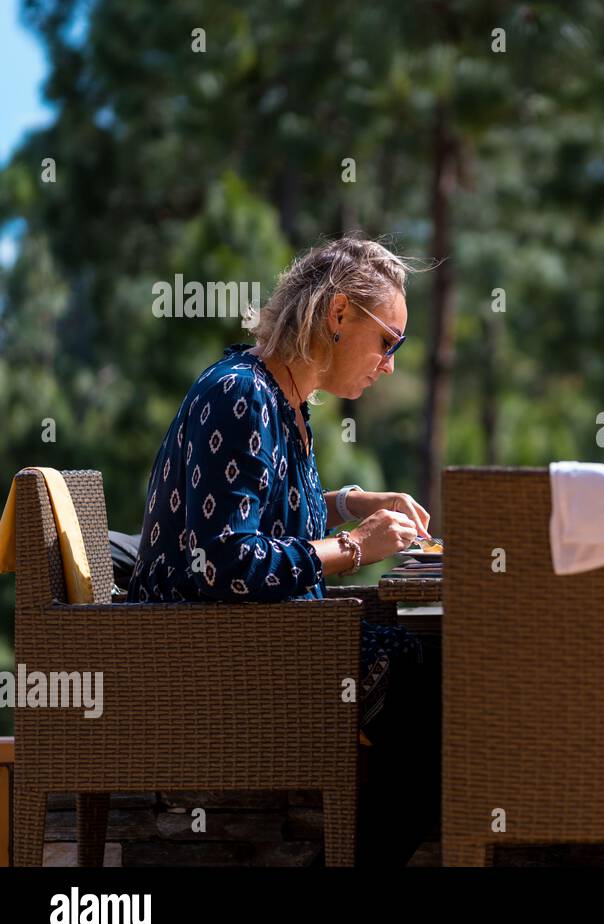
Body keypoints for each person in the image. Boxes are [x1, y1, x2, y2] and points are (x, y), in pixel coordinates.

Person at [126, 235, 435, 865]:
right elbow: (229, 559)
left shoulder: (278, 397)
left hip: (253, 637)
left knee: (432, 667)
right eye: (390, 342)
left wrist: (352, 504)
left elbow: (266, 509)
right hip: (210, 655)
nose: (391, 364)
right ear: (340, 314)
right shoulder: (241, 395)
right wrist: (353, 547)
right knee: (428, 695)